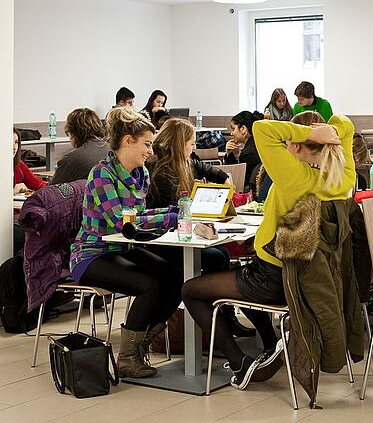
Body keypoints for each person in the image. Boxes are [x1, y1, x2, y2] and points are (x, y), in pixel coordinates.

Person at [182, 113, 353, 390]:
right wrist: (328, 131)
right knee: (234, 273)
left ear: (297, 144)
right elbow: (346, 125)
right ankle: (272, 345)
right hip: (304, 280)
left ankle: (239, 362)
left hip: (272, 277)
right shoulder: (342, 177)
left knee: (190, 290)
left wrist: (307, 133)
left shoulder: (294, 176)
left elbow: (261, 128)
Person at [69, 107, 182, 379]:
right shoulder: (101, 175)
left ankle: (140, 345)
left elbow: (139, 216)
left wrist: (175, 212)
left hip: (121, 249)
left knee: (176, 276)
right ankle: (128, 357)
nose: (149, 152)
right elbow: (124, 222)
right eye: (146, 144)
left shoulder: (139, 173)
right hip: (91, 256)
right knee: (149, 286)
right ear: (127, 140)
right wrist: (170, 217)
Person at [146, 117, 232, 273]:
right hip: (161, 236)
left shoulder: (183, 161)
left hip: (177, 231)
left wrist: (224, 178)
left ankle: (209, 295)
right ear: (179, 144)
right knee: (216, 257)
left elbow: (205, 168)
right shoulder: (161, 171)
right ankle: (199, 293)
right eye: (192, 144)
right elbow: (176, 208)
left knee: (223, 252)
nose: (194, 148)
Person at [50, 108, 110, 185]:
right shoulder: (115, 151)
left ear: (74, 133)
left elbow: (51, 193)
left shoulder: (71, 160)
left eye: (68, 133)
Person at [224, 111, 263, 192]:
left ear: (243, 129)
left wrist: (231, 155)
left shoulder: (248, 152)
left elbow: (238, 180)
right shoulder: (257, 143)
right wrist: (230, 153)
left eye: (233, 129)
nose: (231, 133)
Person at [13, 128, 47, 194]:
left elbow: (37, 184)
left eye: (16, 142)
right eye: (9, 142)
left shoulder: (18, 164)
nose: (14, 147)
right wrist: (13, 190)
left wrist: (57, 186)